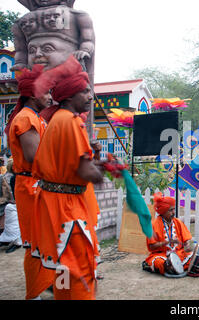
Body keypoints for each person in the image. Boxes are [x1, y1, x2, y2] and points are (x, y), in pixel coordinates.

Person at [31, 55, 105, 299]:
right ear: (70, 95)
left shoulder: (57, 120)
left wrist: (95, 161)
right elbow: (85, 172)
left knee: (63, 265)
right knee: (80, 266)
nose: (90, 96)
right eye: (84, 92)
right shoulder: (71, 122)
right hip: (67, 209)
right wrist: (103, 171)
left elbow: (73, 164)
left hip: (55, 205)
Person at [5, 64, 55, 300]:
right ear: (34, 93)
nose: (50, 96)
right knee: (34, 244)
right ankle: (33, 294)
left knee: (45, 241)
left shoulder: (35, 117)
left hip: (37, 186)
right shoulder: (26, 118)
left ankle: (48, 284)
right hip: (31, 187)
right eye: (46, 92)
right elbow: (35, 158)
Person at [143, 192, 195, 276]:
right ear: (163, 211)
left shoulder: (178, 222)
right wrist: (166, 242)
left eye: (174, 209)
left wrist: (188, 245)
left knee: (195, 257)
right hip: (161, 255)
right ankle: (166, 267)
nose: (173, 212)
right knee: (160, 263)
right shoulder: (153, 225)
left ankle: (173, 268)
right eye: (171, 210)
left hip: (178, 253)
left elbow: (187, 239)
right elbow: (151, 246)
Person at [0, 159, 22, 253]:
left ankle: (13, 239)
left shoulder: (7, 177)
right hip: (12, 202)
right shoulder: (11, 178)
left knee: (10, 211)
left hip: (12, 203)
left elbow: (8, 193)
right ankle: (7, 238)